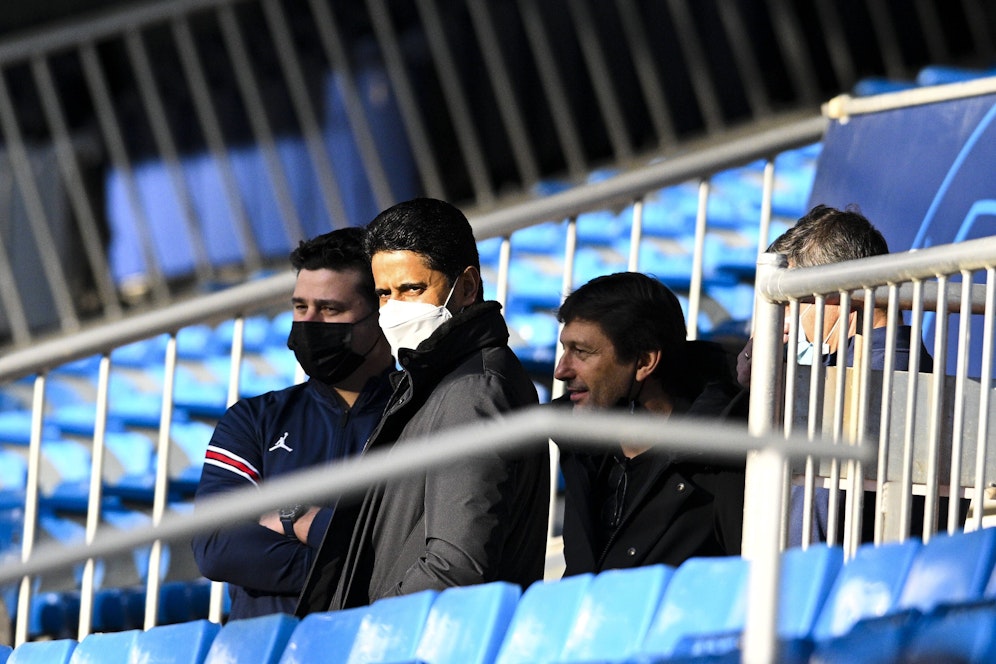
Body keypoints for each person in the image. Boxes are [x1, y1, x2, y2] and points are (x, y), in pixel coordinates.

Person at [296, 197, 550, 613]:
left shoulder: (474, 391)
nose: (395, 309)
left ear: (466, 287)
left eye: (412, 289)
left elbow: (456, 567)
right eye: (383, 294)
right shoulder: (432, 381)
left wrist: (364, 635)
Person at [191, 227, 394, 620]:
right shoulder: (251, 420)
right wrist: (349, 573)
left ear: (380, 314)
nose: (309, 323)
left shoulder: (420, 414)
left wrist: (291, 517)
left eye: (330, 309)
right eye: (301, 307)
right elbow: (216, 544)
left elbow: (401, 547)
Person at [735, 204, 934, 546]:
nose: (789, 320)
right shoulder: (845, 367)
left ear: (837, 294)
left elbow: (817, 521)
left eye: (796, 302)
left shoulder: (874, 377)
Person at [552, 272, 747, 575]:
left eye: (581, 352)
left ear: (644, 362)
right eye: (565, 349)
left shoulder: (723, 458)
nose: (561, 370)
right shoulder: (578, 442)